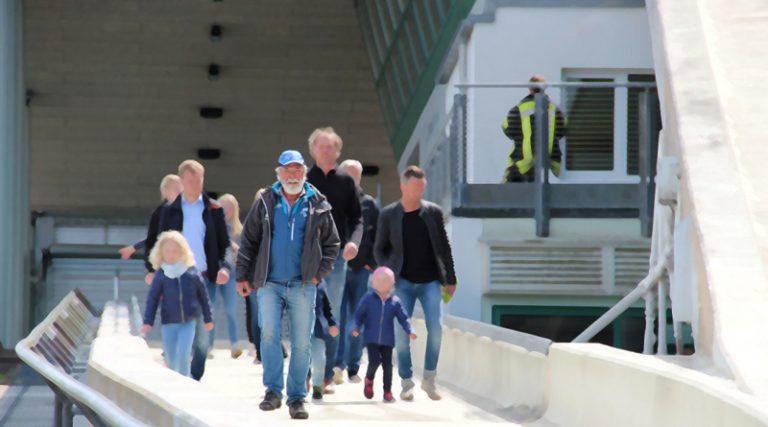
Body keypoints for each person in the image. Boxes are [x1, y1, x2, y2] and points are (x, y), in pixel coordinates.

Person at [236, 150, 340, 420]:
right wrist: (242, 276)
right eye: (287, 170)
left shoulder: (318, 203)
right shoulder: (265, 201)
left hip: (303, 284)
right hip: (268, 282)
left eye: (297, 170)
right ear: (279, 173)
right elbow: (248, 241)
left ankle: (297, 398)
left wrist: (319, 274)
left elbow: (332, 244)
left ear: (304, 172)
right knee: (269, 334)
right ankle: (273, 392)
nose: (292, 175)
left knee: (301, 343)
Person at [374, 165, 457, 401]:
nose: (419, 193)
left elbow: (444, 247)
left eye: (422, 189)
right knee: (401, 332)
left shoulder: (433, 212)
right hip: (402, 282)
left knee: (437, 328)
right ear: (403, 186)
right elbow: (379, 249)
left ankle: (429, 378)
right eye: (415, 188)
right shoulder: (389, 214)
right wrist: (386, 274)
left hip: (430, 280)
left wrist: (450, 278)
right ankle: (406, 381)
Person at [144, 160, 231, 381]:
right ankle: (180, 375)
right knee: (176, 326)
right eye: (190, 181)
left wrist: (224, 267)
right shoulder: (170, 210)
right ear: (182, 181)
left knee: (203, 336)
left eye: (199, 180)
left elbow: (225, 244)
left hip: (203, 277)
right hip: (174, 278)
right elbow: (157, 241)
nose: (195, 184)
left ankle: (195, 375)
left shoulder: (213, 209)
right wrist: (152, 269)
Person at [305, 127, 363, 393]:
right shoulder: (303, 180)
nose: (326, 150)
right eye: (322, 146)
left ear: (338, 151)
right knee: (304, 312)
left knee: (332, 317)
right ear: (313, 149)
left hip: (337, 258)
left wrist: (354, 242)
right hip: (306, 257)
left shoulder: (346, 181)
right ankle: (304, 372)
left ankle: (326, 375)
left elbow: (357, 219)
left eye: (331, 147)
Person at [141, 231, 214, 377]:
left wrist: (208, 318)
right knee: (171, 358)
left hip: (188, 322)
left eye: (175, 250)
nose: (171, 254)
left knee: (183, 355)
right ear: (161, 252)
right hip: (168, 323)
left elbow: (204, 297)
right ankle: (172, 384)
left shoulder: (192, 273)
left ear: (182, 251)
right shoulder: (161, 275)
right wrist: (148, 321)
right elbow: (152, 299)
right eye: (167, 251)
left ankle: (185, 384)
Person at [334, 159, 379, 384]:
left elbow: (379, 236)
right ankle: (337, 364)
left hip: (360, 270)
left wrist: (372, 263)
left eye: (355, 176)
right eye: (347, 175)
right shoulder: (333, 201)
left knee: (357, 319)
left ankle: (353, 366)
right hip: (336, 269)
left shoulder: (369, 204)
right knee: (337, 317)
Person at [351, 267, 416, 403]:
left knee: (388, 366)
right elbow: (358, 315)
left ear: (392, 283)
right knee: (374, 360)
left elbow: (404, 318)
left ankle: (387, 391)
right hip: (371, 338)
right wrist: (355, 327)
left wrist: (410, 330)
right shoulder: (368, 298)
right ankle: (369, 379)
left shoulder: (395, 301)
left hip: (387, 340)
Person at [501, 75, 566, 183]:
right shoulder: (555, 109)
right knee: (544, 193)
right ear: (544, 88)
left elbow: (506, 128)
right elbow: (564, 128)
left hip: (522, 160)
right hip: (550, 159)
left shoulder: (520, 108)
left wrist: (521, 135)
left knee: (507, 191)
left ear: (529, 88)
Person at [119, 174, 182, 263]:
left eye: (181, 190)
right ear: (165, 191)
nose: (180, 193)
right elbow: (154, 237)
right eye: (176, 189)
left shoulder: (188, 210)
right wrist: (134, 248)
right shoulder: (160, 213)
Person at [214, 193, 244, 359]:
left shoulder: (239, 231)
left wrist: (236, 249)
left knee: (231, 310)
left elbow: (244, 253)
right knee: (212, 309)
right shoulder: (212, 226)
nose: (226, 211)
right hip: (214, 273)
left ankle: (234, 344)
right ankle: (209, 345)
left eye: (230, 207)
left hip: (231, 275)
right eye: (223, 207)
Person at [309, 282, 339, 401]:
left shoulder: (321, 286)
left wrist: (332, 324)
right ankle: (301, 386)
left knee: (320, 360)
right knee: (301, 360)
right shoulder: (296, 283)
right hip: (300, 330)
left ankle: (317, 387)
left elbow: (327, 309)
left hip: (317, 331)